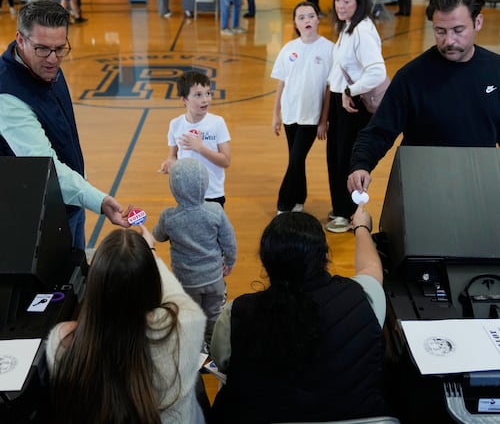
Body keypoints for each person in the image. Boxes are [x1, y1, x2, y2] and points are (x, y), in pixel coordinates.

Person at [209, 207, 389, 423]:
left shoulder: (235, 312)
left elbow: (221, 359)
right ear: (324, 256)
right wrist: (361, 227)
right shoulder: (363, 298)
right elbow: (371, 268)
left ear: (266, 263)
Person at [46, 225, 207, 424]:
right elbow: (175, 294)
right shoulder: (188, 322)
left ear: (95, 286)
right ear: (152, 284)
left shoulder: (61, 343)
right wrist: (151, 250)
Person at [348, 0, 500, 195]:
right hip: (423, 188)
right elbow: (379, 131)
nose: (449, 41)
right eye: (440, 31)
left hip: (478, 185)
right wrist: (361, 165)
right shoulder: (412, 77)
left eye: (458, 30)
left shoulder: (495, 71)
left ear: (478, 22)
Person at [0, 0, 128, 250]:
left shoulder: (44, 66)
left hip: (70, 197)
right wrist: (98, 199)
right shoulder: (7, 96)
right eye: (42, 49)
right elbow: (45, 166)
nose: (53, 59)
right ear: (20, 39)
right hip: (38, 214)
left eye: (60, 48)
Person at [153, 158, 237, 348]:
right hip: (214, 278)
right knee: (214, 313)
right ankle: (214, 346)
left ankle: (197, 349)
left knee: (191, 315)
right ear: (205, 183)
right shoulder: (215, 211)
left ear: (174, 187)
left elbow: (158, 236)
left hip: (187, 281)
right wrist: (229, 261)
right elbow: (229, 240)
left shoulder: (169, 217)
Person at [325, 0, 386, 233]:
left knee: (346, 161)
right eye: (338, 0)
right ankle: (342, 208)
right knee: (336, 157)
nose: (340, 5)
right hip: (343, 103)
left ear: (359, 2)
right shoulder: (349, 27)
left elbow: (377, 71)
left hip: (353, 106)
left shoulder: (361, 30)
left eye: (346, 1)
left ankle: (348, 214)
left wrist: (351, 90)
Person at [271, 1, 333, 214]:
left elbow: (329, 89)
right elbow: (281, 83)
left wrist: (324, 120)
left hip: (311, 117)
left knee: (296, 158)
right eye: (301, 17)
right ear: (295, 24)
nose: (307, 20)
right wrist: (275, 115)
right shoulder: (289, 49)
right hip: (290, 114)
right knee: (296, 159)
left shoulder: (328, 49)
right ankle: (299, 198)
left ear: (318, 18)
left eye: (311, 15)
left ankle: (284, 204)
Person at [159, 70, 231, 207]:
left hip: (212, 195)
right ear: (183, 99)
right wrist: (169, 163)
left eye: (208, 93)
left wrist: (200, 148)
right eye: (198, 95)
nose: (205, 99)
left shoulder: (217, 123)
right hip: (185, 194)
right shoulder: (175, 124)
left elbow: (226, 161)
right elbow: (172, 156)